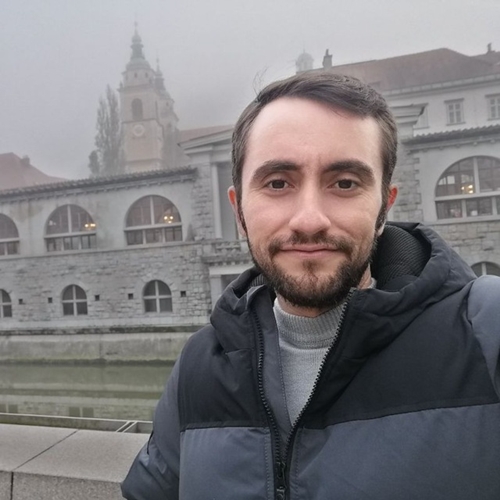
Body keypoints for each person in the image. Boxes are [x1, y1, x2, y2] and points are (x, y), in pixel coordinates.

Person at [121, 72, 500, 499]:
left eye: (345, 183)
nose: (309, 220)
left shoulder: (487, 330)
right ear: (240, 211)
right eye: (277, 183)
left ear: (384, 206)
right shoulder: (199, 366)